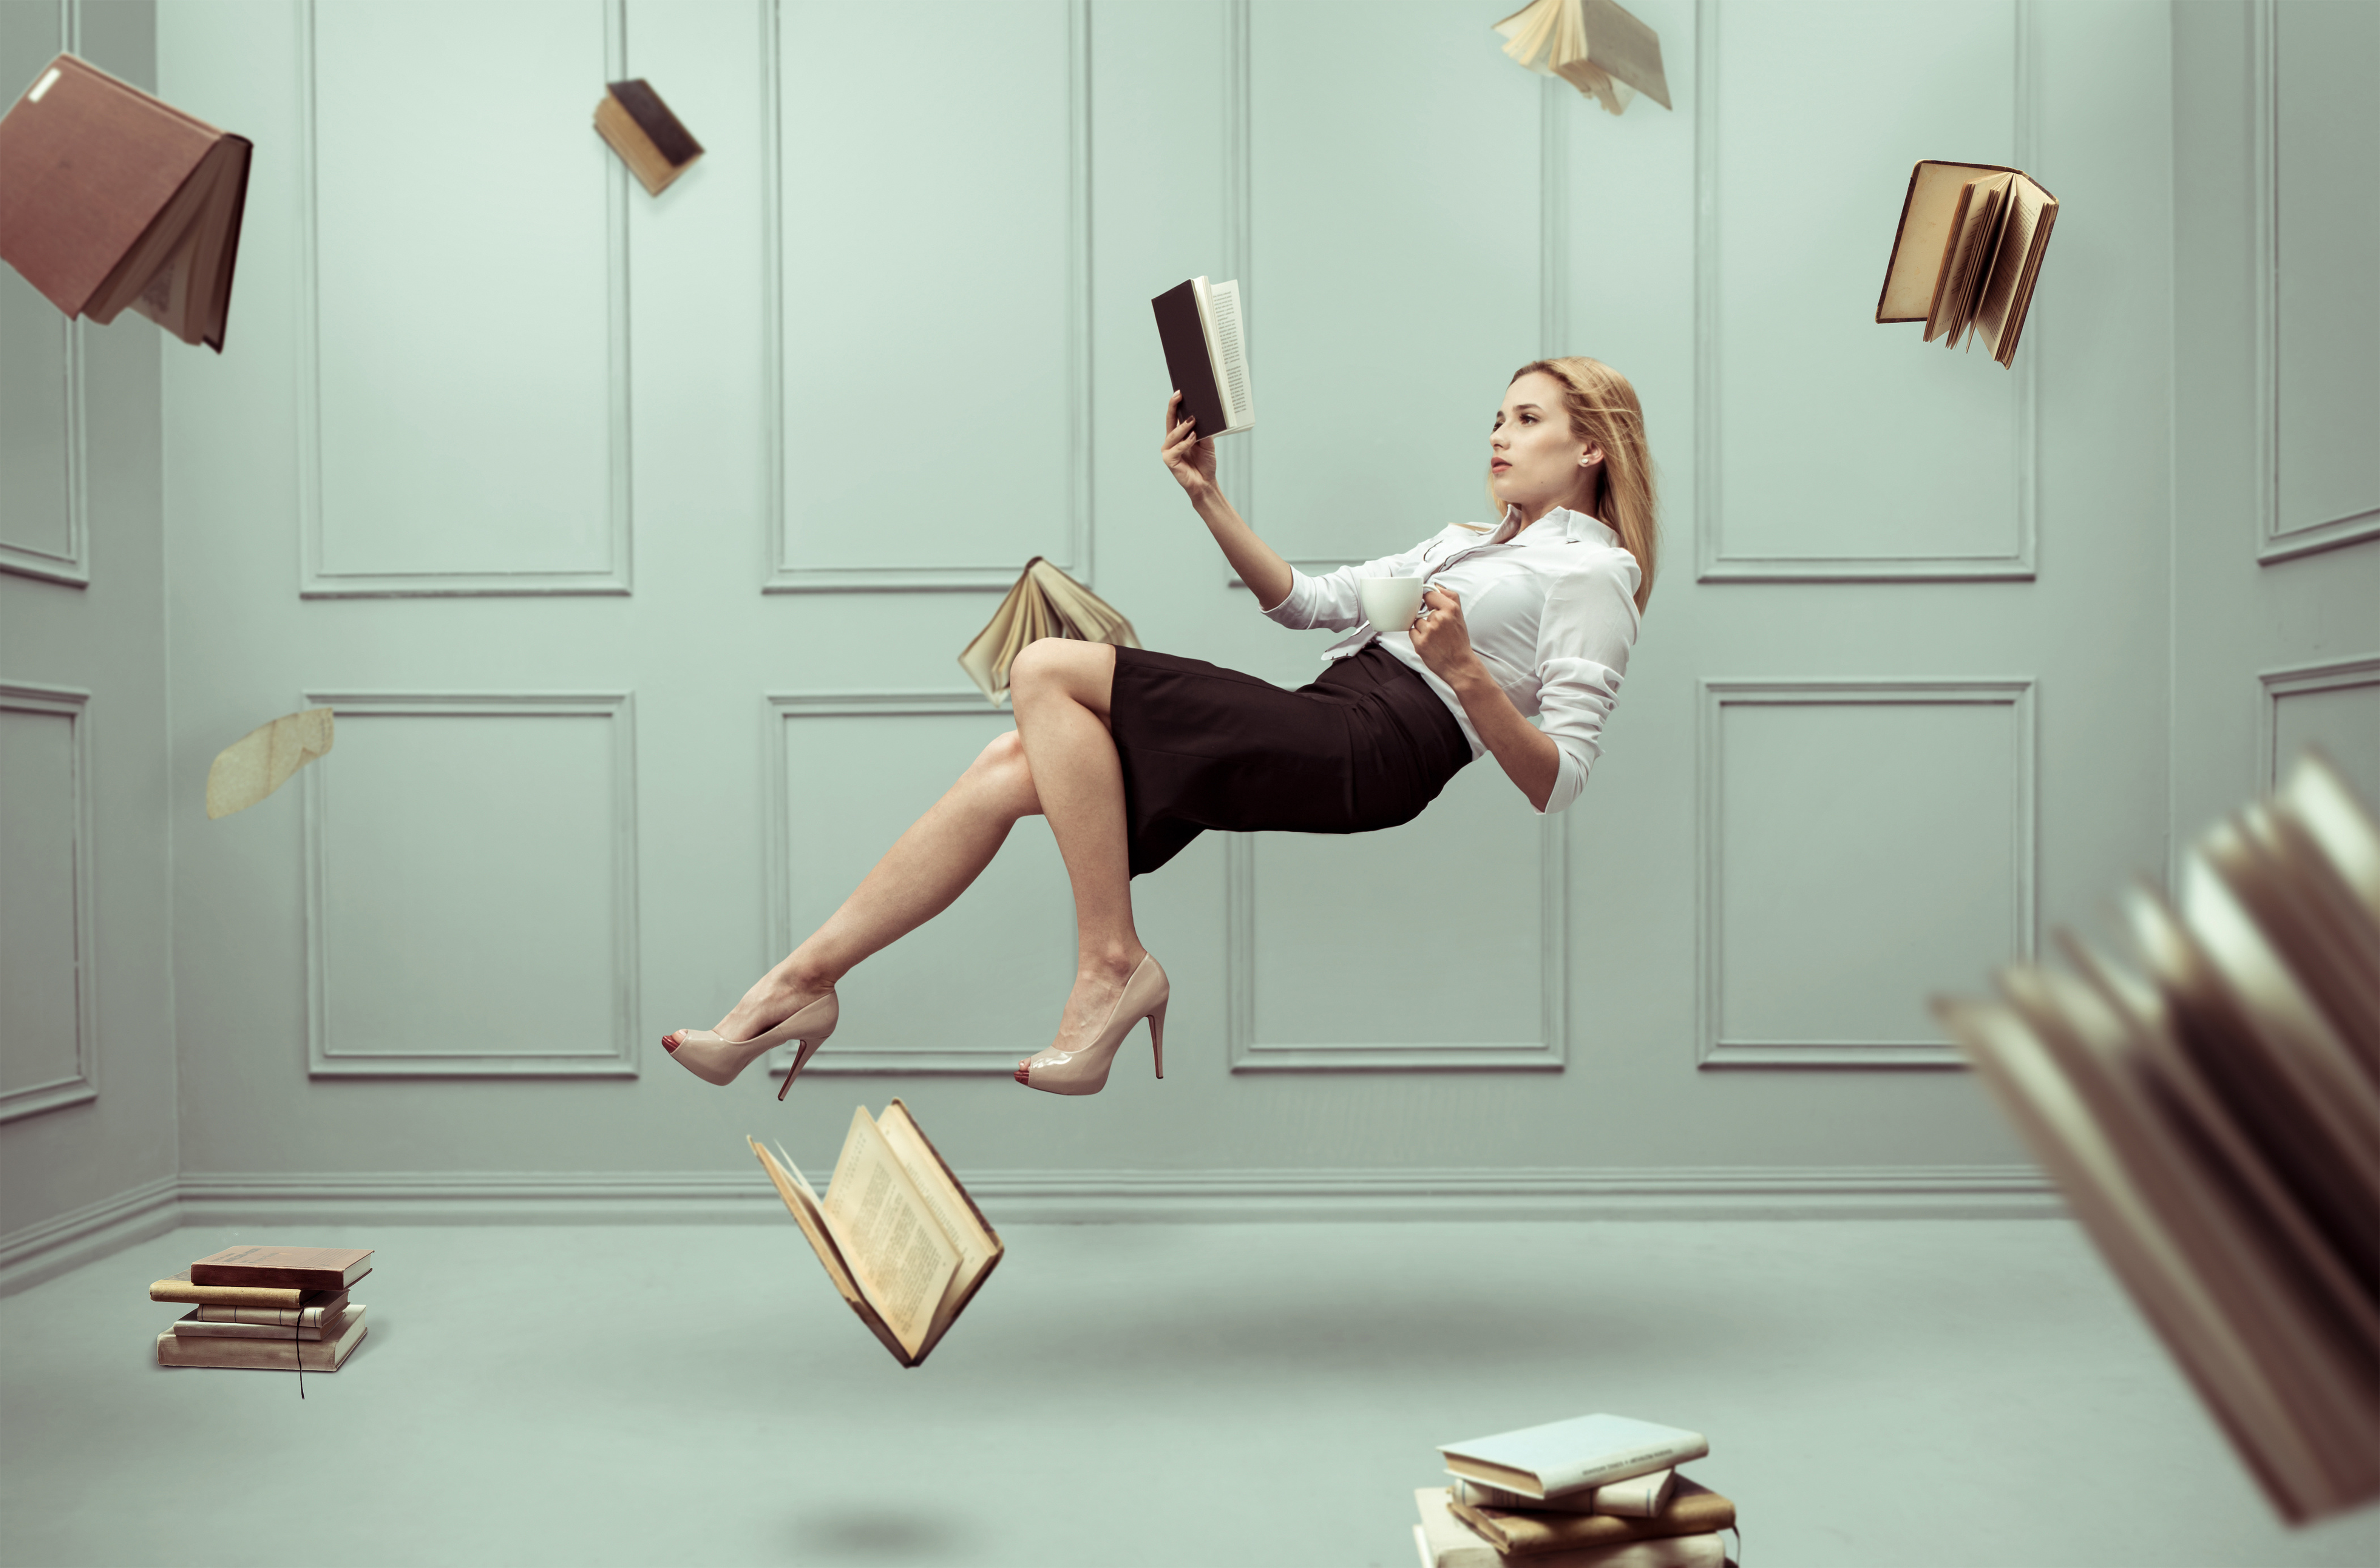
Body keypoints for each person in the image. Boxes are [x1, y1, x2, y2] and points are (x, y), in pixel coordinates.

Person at [664, 356, 1658, 1099]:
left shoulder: (1595, 575)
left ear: (1589, 446)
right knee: (1013, 763)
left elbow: (1560, 777)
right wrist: (1206, 496)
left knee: (1045, 666)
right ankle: (801, 985)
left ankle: (1111, 964)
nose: (1499, 433)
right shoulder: (1464, 542)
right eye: (1497, 416)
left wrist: (1470, 677)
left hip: (1385, 750)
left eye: (1527, 418)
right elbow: (1311, 603)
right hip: (1332, 710)